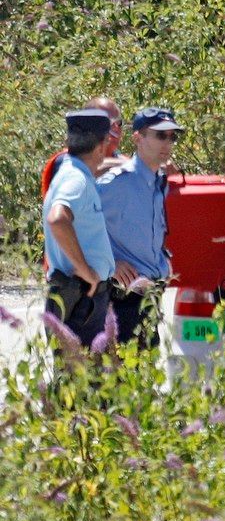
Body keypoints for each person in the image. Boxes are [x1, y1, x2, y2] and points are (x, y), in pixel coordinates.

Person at [96, 107, 182, 347]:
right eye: (160, 135)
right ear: (137, 138)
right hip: (124, 301)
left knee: (145, 377)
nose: (168, 142)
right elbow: (72, 223)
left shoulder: (160, 181)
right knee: (123, 378)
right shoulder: (117, 183)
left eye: (172, 136)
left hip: (152, 296)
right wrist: (109, 262)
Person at [43, 109, 115, 346]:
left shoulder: (73, 173)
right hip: (81, 298)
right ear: (102, 146)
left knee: (77, 378)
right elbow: (58, 219)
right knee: (83, 379)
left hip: (79, 296)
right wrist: (86, 272)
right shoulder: (76, 180)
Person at [41, 97, 126, 199]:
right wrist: (127, 165)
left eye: (118, 123)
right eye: (108, 122)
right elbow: (82, 170)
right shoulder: (66, 160)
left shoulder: (125, 163)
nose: (116, 128)